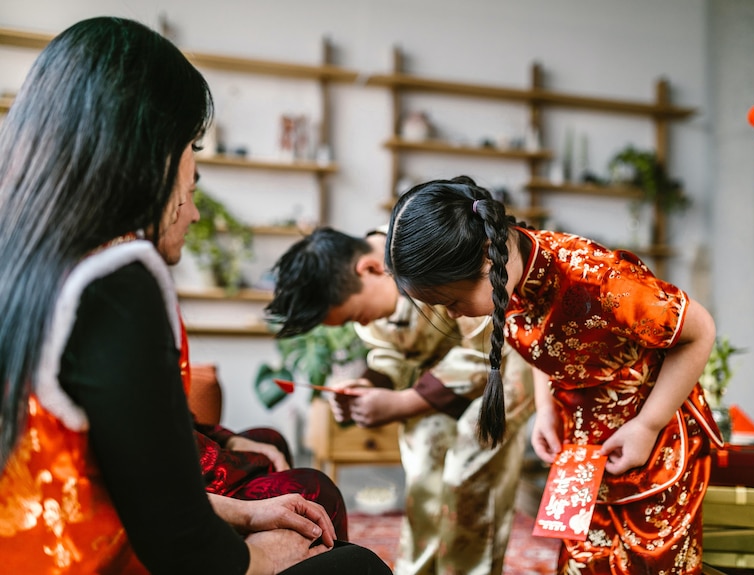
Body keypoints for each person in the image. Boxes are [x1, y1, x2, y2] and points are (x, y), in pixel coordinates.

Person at [0, 16, 391, 575]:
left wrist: (242, 516)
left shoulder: (24, 262)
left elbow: (111, 480)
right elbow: (179, 543)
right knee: (353, 567)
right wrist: (260, 555)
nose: (193, 188)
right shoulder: (114, 281)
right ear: (148, 149)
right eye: (192, 146)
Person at [383, 176, 723, 574]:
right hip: (581, 449)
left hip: (654, 439)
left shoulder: (599, 280)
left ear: (488, 260)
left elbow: (700, 330)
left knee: (651, 563)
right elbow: (537, 346)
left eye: (452, 302)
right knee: (585, 564)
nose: (453, 314)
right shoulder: (512, 275)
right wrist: (545, 410)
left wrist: (647, 426)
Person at [265, 226, 534, 575]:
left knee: (471, 464)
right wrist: (371, 383)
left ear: (370, 269)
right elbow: (388, 353)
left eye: (354, 317)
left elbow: (484, 346)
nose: (360, 324)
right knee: (424, 459)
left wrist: (405, 402)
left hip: (505, 362)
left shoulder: (431, 249)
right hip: (438, 387)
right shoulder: (372, 289)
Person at [159, 175, 348, 539]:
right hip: (167, 478)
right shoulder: (125, 292)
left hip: (173, 457)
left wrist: (230, 441)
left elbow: (168, 417)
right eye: (187, 199)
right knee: (313, 489)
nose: (196, 215)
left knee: (268, 439)